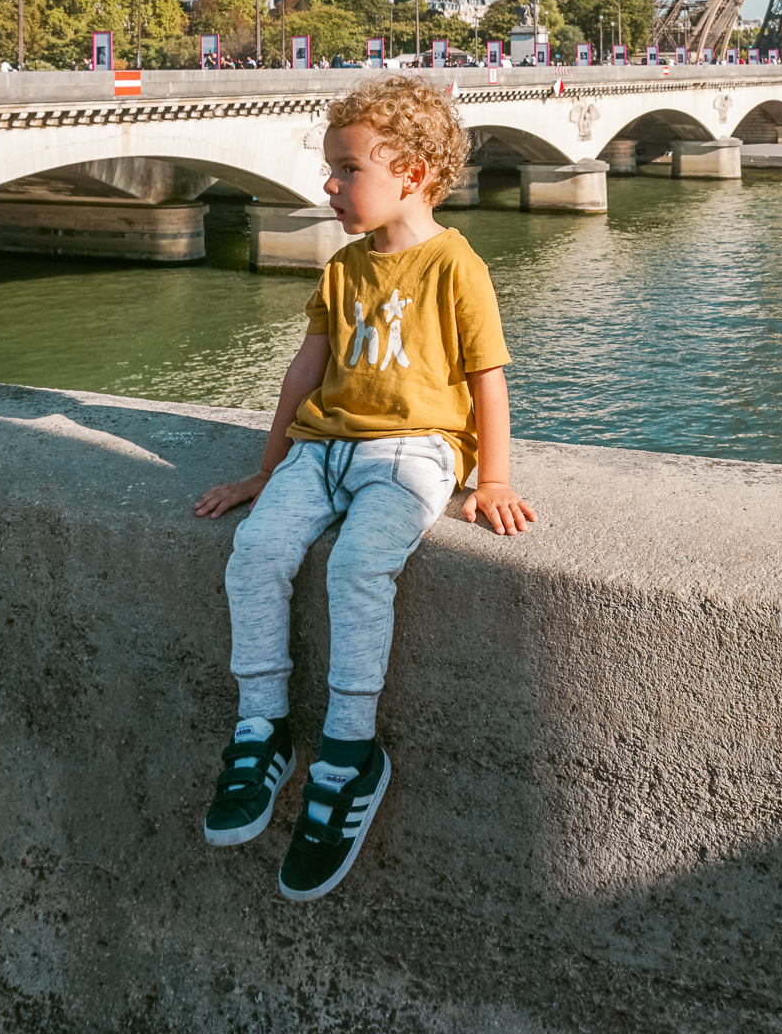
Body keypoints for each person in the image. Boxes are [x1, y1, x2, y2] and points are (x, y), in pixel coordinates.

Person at [192, 78, 534, 902]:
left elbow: (487, 379)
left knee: (355, 568)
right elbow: (305, 369)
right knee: (256, 551)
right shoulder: (344, 266)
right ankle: (262, 730)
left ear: (411, 173)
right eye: (331, 168)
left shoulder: (457, 264)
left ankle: (348, 753)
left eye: (346, 169)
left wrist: (492, 478)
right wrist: (266, 470)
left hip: (413, 454)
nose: (328, 186)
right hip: (323, 450)